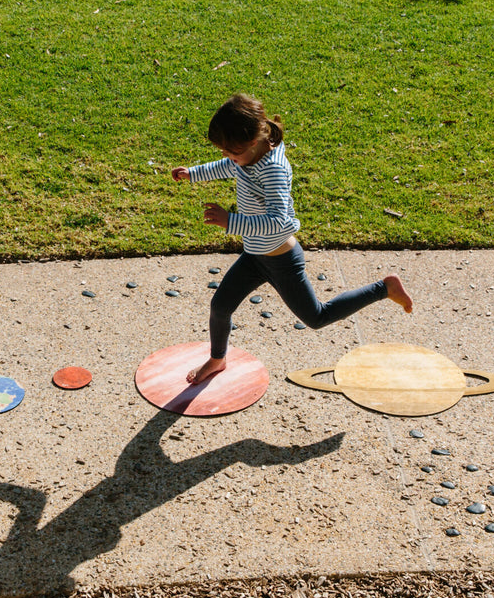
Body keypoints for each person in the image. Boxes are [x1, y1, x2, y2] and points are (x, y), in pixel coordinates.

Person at [171, 93, 413, 384]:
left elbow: (280, 222)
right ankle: (217, 359)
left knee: (317, 317)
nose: (227, 157)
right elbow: (227, 166)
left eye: (231, 151)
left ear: (253, 141)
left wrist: (230, 221)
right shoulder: (246, 156)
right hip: (254, 257)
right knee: (220, 307)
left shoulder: (273, 170)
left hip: (282, 261)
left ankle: (384, 288)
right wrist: (193, 173)